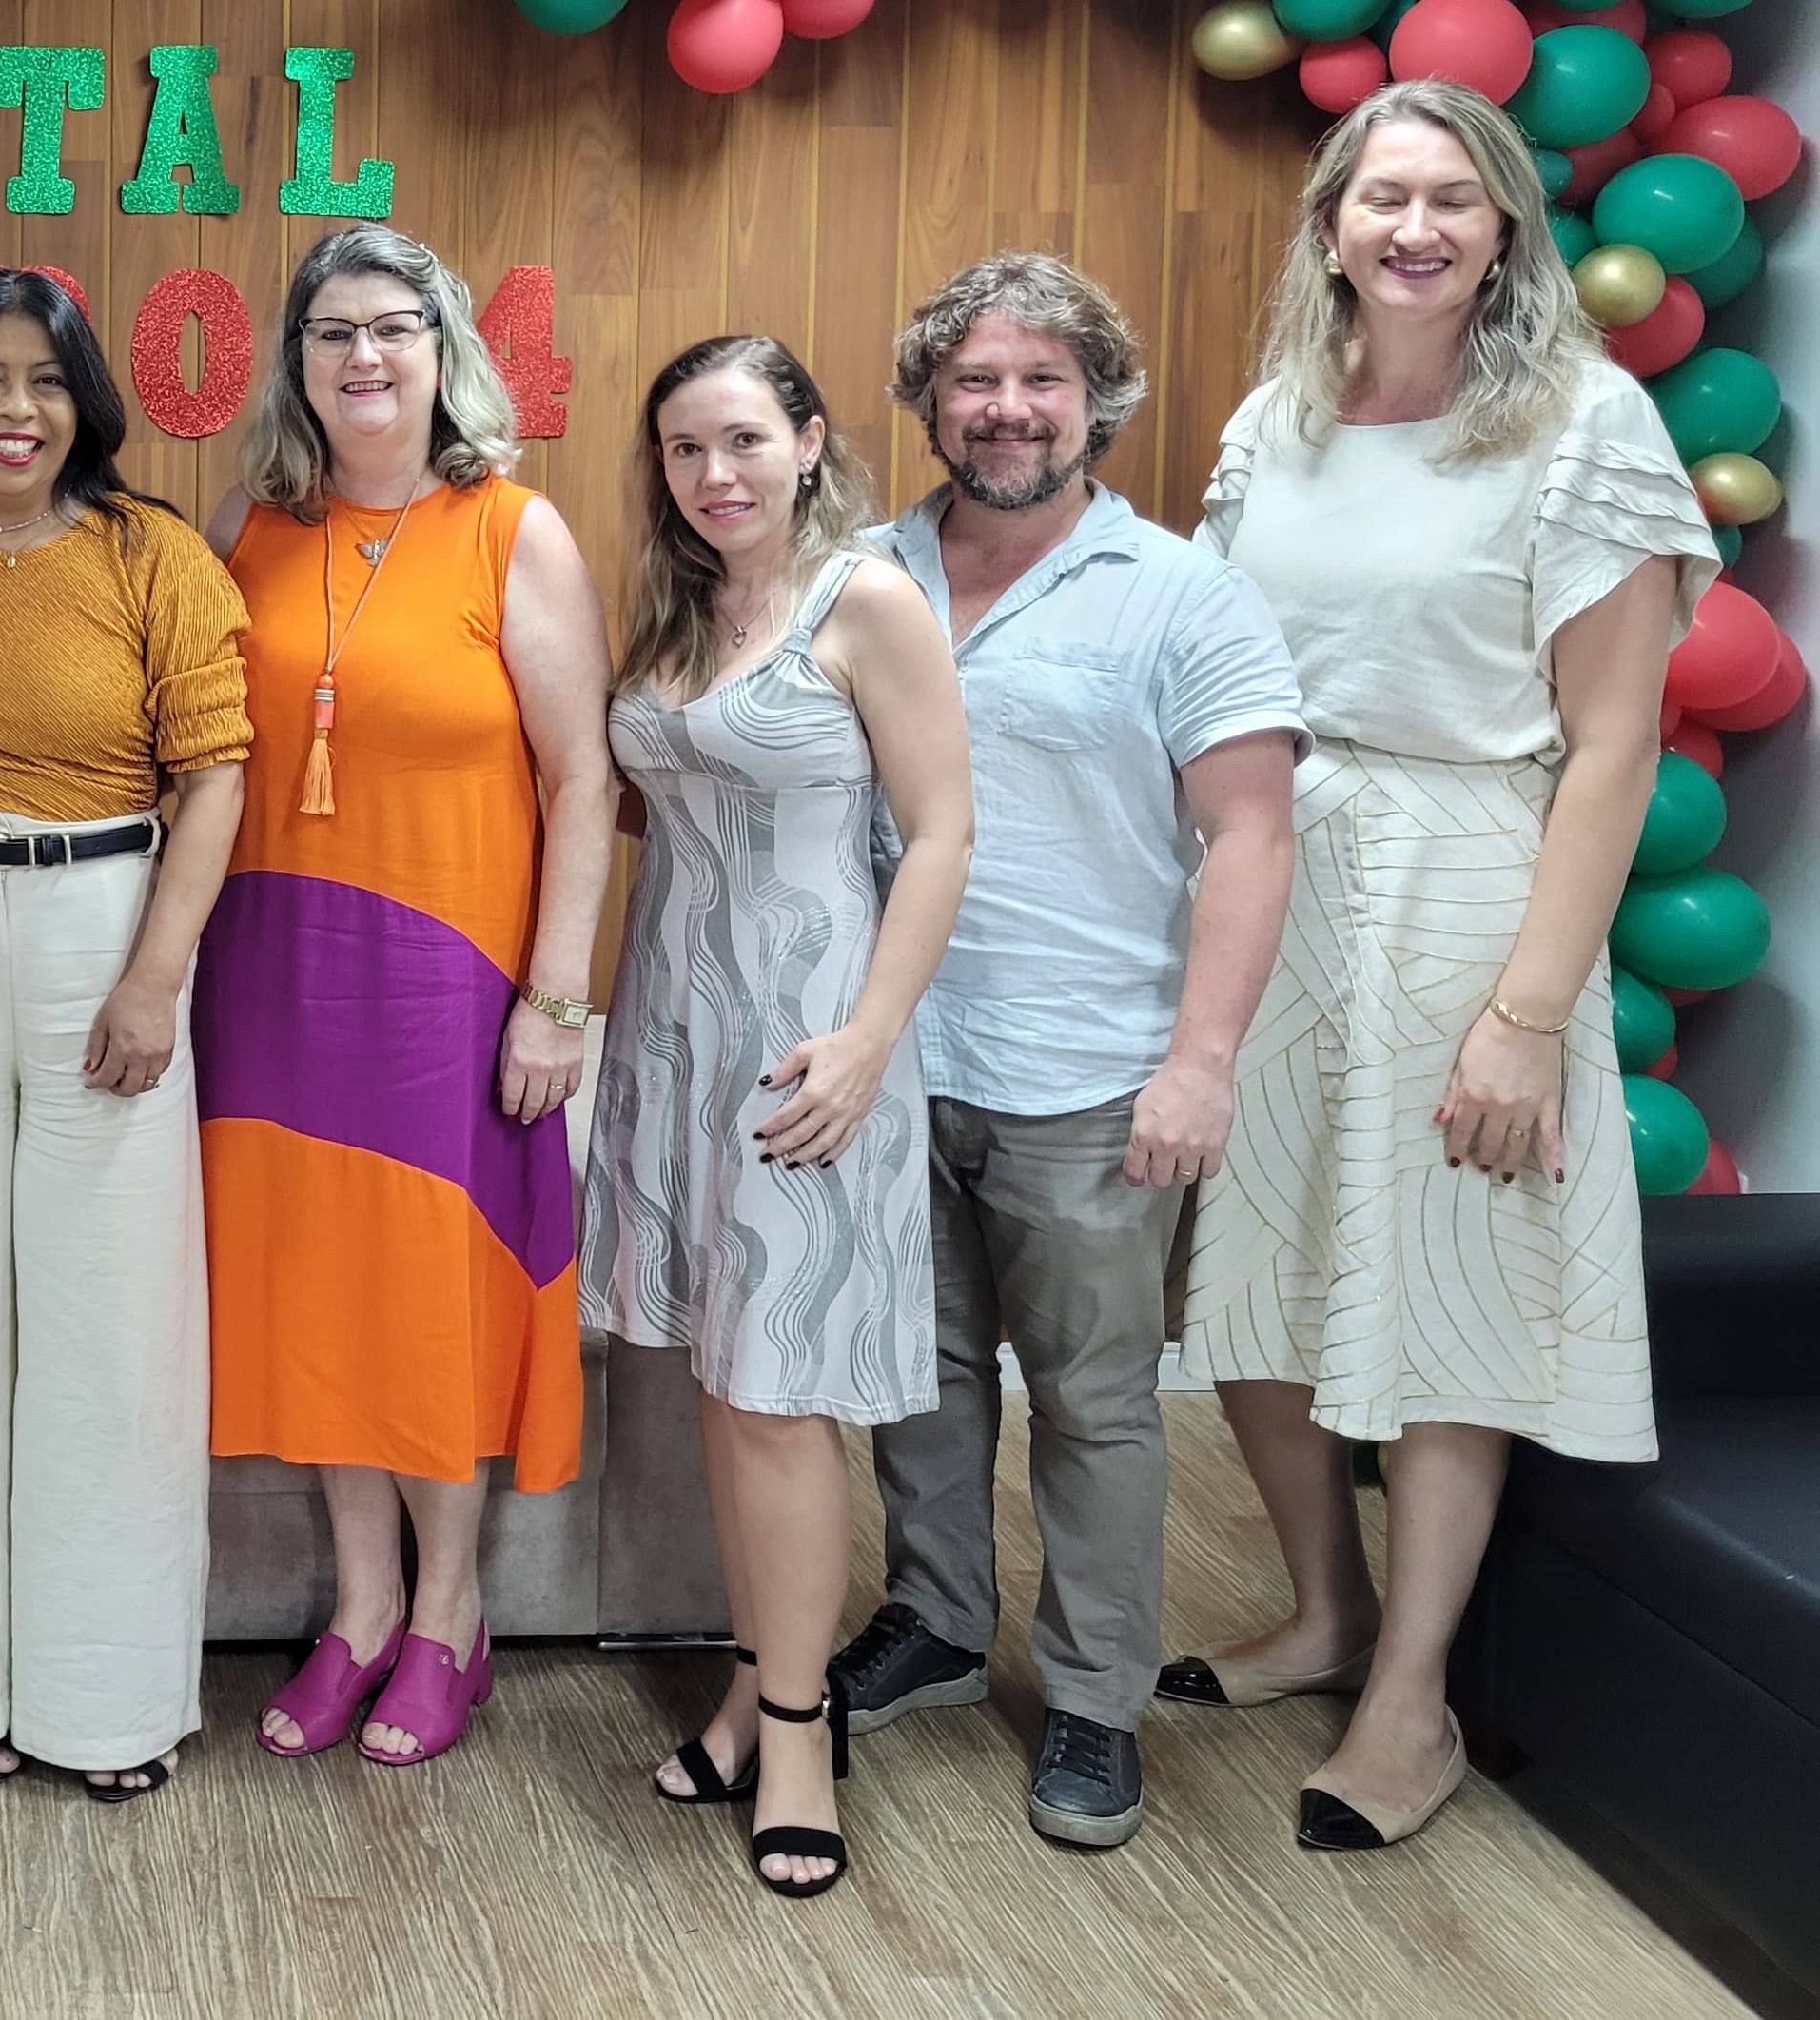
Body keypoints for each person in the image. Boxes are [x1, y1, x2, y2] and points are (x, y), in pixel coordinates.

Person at [1165, 79, 1712, 1853]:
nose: (1414, 229)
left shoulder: (1582, 425)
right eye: (1381, 196)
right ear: (1332, 222)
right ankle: (1323, 1611)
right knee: (1249, 1268)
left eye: (1452, 203)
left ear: (1504, 236)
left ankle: (1412, 1703)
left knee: (1446, 1294)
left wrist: (1530, 1017)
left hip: (1474, 880)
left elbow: (1615, 745)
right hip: (1277, 879)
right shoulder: (1281, 415)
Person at [831, 253, 1306, 1852]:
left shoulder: (1178, 589)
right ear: (929, 400)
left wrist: (1203, 1061)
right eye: (976, 379)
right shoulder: (860, 568)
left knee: (1098, 1406)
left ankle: (1095, 1702)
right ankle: (942, 1624)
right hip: (896, 1059)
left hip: (1091, 1072)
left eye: (1042, 380)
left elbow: (1247, 836)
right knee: (923, 1375)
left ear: (1096, 397)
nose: (1009, 408)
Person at [198, 225, 614, 1769]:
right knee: (321, 1294)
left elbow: (582, 777)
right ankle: (360, 1609)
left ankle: (452, 1615)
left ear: (446, 356)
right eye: (330, 335)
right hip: (274, 969)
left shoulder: (516, 530)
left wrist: (554, 1001)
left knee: (430, 1301)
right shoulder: (250, 521)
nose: (363, 358)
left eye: (394, 330)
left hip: (448, 984)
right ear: (296, 365)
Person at [583, 335, 973, 1897]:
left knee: (781, 1397)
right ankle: (758, 1679)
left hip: (807, 1055)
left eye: (744, 440)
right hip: (672, 1038)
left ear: (810, 442)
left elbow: (942, 833)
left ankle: (803, 1731)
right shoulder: (680, 613)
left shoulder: (866, 598)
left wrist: (873, 1040)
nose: (715, 475)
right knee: (724, 1390)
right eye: (685, 450)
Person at [0, 268, 252, 1802]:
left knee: (111, 1326)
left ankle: (107, 1706)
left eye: (44, 379)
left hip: (107, 919)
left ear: (87, 397)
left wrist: (158, 977)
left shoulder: (152, 555)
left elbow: (213, 771)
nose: (13, 409)